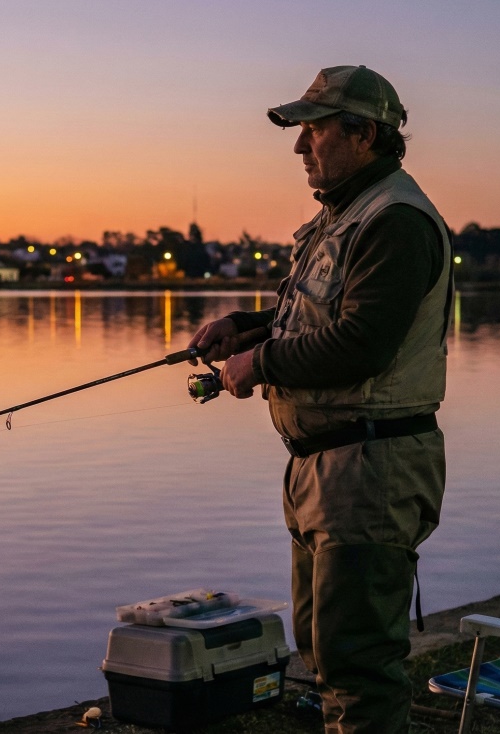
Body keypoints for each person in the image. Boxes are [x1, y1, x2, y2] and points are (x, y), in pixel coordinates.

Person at [188, 65, 451, 734]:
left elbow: (362, 343)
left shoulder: (395, 221)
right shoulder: (345, 216)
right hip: (326, 468)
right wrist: (243, 328)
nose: (300, 147)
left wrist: (260, 363)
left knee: (357, 663)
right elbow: (320, 317)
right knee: (324, 648)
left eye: (314, 130)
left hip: (370, 468)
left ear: (363, 134)